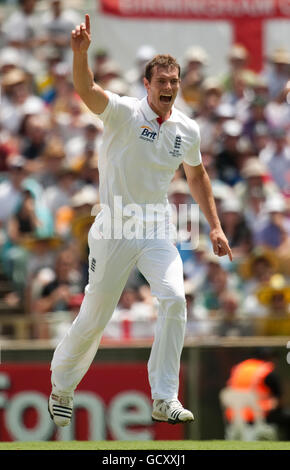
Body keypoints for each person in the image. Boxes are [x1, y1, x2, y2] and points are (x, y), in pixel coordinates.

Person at [48, 14, 232, 427]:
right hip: (114, 228)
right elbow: (86, 89)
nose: (168, 87)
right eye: (161, 81)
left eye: (174, 81)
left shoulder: (187, 128)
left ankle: (165, 397)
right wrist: (80, 55)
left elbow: (197, 174)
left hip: (156, 226)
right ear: (146, 85)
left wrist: (216, 226)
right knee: (95, 317)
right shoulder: (125, 113)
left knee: (173, 298)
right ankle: (62, 385)